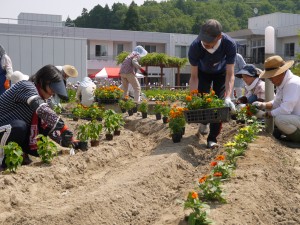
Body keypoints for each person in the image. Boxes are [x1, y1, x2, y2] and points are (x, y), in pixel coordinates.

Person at [0, 64, 74, 168]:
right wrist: (63, 127)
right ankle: (3, 163)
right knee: (19, 126)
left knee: (40, 133)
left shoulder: (41, 97)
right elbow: (41, 108)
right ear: (44, 81)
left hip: (6, 132)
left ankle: (21, 157)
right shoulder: (26, 86)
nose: (53, 93)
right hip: (3, 128)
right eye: (52, 88)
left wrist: (66, 141)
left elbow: (47, 126)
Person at [188, 19, 237, 148]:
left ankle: (212, 139)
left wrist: (228, 96)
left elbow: (230, 74)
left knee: (219, 104)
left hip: (221, 74)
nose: (205, 44)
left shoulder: (229, 44)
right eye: (203, 40)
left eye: (209, 42)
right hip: (202, 73)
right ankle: (204, 122)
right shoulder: (195, 47)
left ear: (219, 37)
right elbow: (193, 77)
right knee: (203, 100)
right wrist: (193, 97)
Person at [253, 55, 300, 145]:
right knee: (278, 119)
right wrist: (262, 105)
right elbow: (277, 103)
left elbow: (285, 110)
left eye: (271, 77)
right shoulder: (283, 83)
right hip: (297, 117)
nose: (270, 80)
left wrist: (264, 115)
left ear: (280, 73)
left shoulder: (292, 84)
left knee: (280, 119)